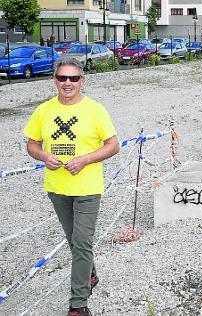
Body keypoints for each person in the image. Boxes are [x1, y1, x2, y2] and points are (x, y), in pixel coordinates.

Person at [23, 57, 119, 316]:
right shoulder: (43, 111)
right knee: (75, 241)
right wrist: (44, 156)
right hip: (57, 187)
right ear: (54, 80)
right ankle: (90, 274)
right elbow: (32, 144)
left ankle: (78, 305)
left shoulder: (96, 110)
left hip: (88, 187)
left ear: (82, 81)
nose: (67, 83)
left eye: (73, 78)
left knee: (83, 241)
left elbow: (113, 145)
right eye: (62, 78)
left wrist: (85, 160)